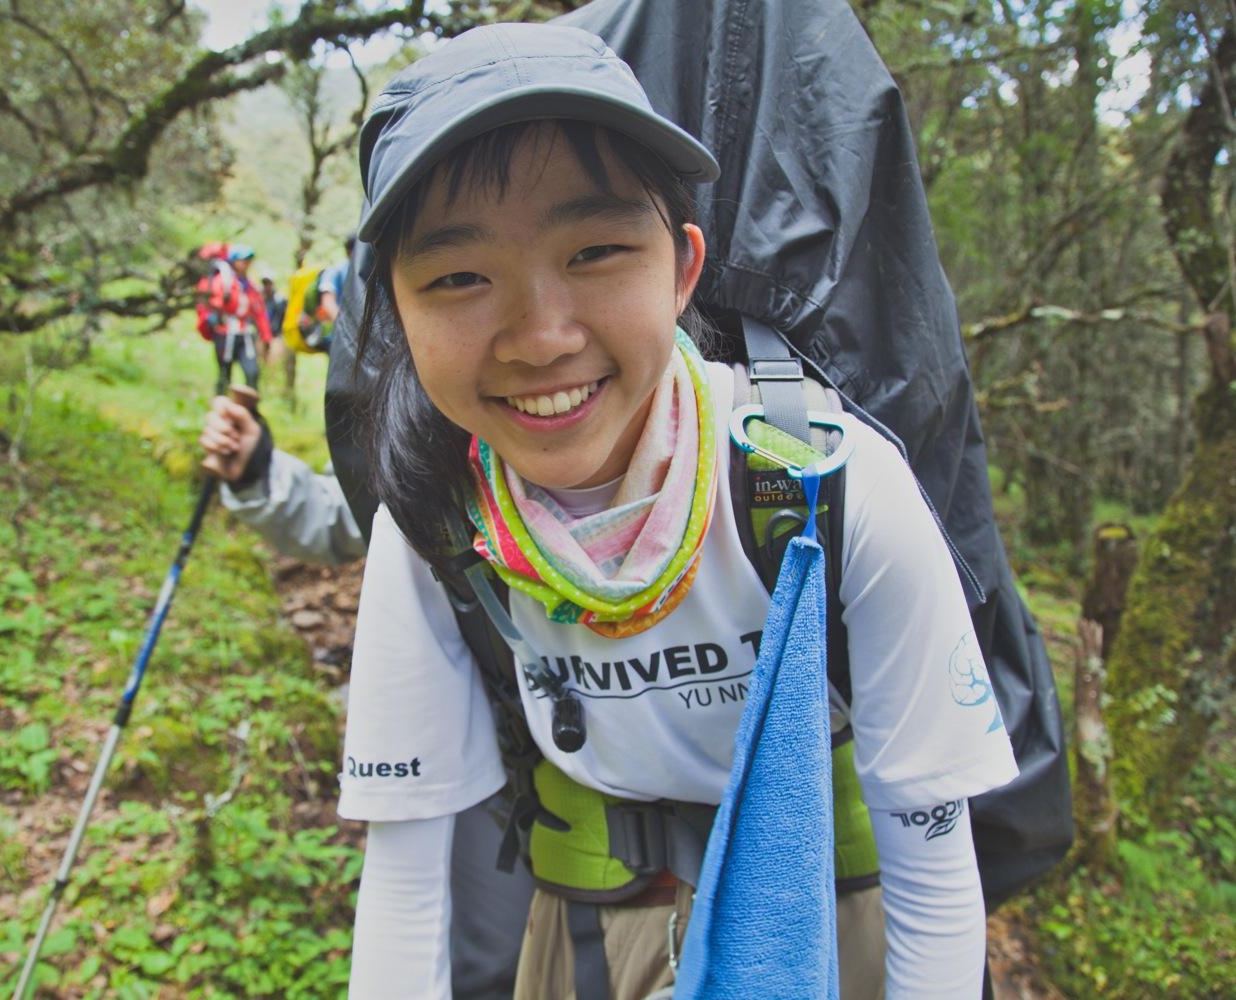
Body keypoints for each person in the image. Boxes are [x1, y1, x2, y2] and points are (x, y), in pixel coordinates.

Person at [337, 23, 1019, 1000]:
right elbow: (406, 872)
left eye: (597, 250)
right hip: (590, 930)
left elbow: (933, 849)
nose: (540, 335)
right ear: (396, 310)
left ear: (683, 267)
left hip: (831, 916)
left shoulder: (827, 484)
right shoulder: (441, 522)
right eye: (458, 277)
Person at [197, 390, 535, 997]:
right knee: (490, 961)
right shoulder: (423, 394)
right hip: (490, 739)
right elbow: (359, 503)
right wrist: (259, 468)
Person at [196, 243, 271, 390]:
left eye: (249, 261)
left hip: (245, 335)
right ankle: (221, 405)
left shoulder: (250, 286)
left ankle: (249, 408)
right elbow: (208, 303)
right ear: (234, 261)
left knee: (252, 373)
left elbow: (260, 312)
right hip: (224, 334)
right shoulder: (222, 282)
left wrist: (266, 336)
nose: (247, 265)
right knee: (224, 373)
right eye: (243, 261)